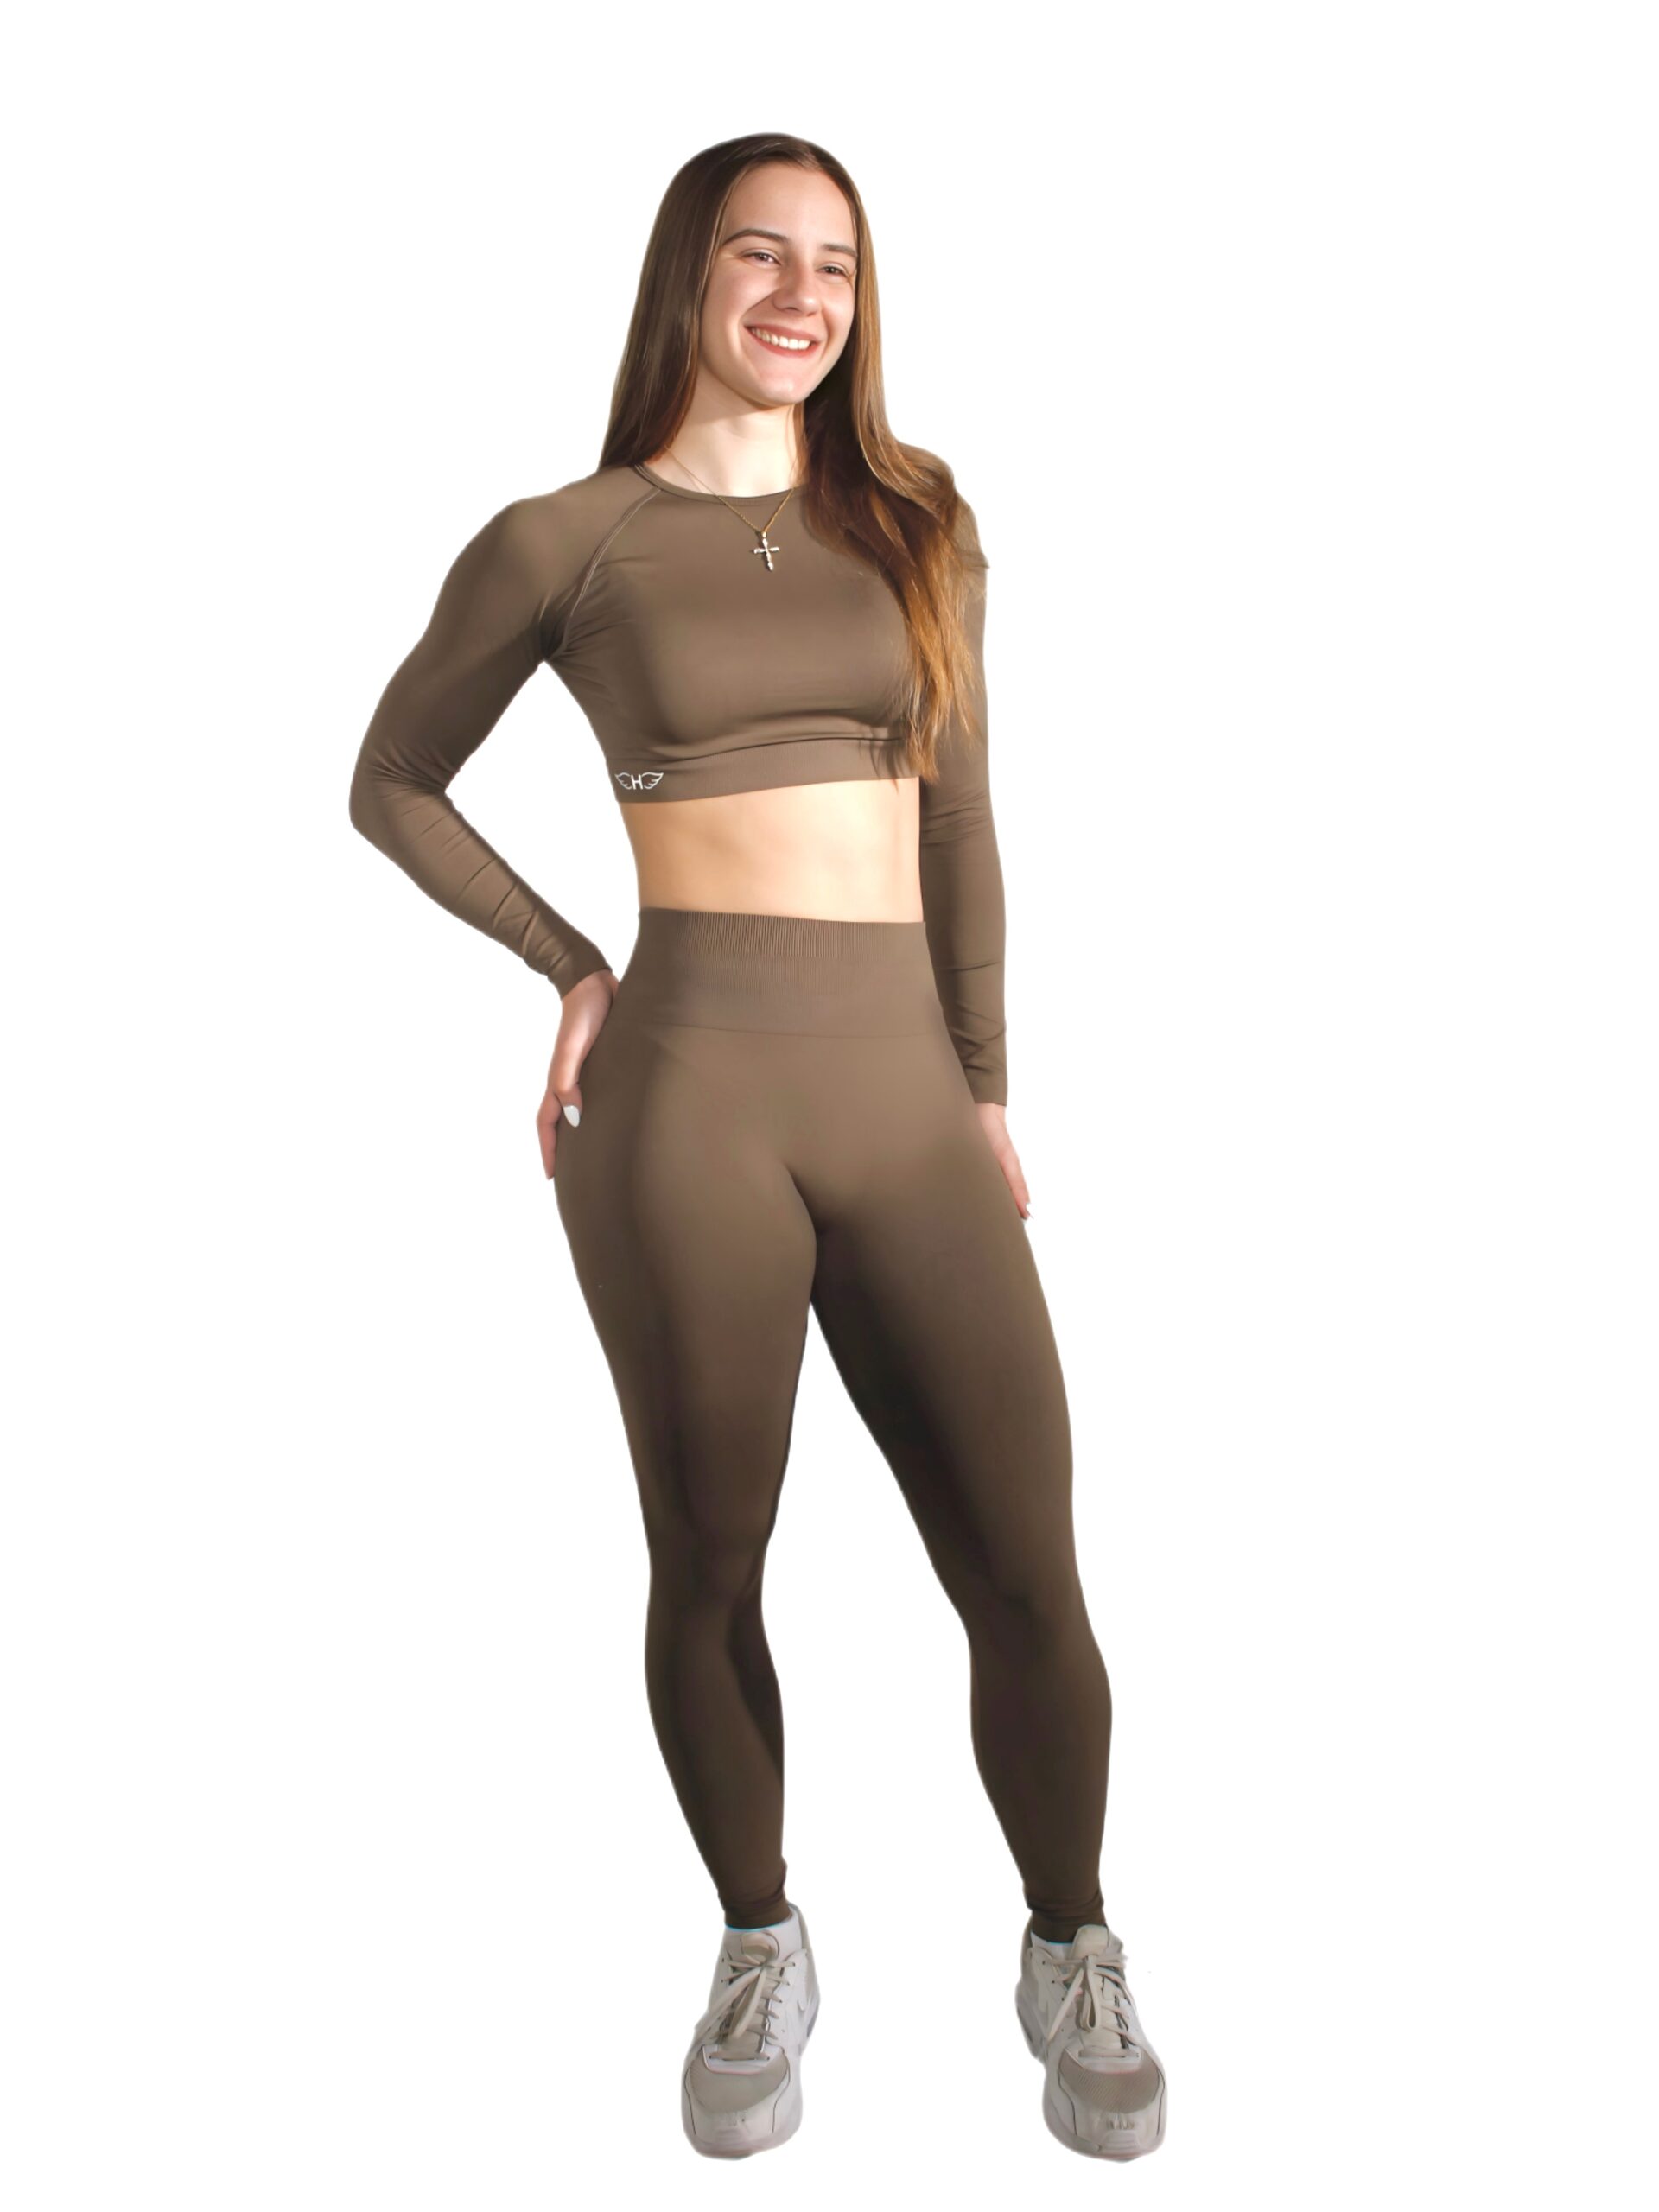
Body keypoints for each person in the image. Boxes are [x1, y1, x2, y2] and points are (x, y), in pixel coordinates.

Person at [347, 131, 1166, 2164]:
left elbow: (962, 818)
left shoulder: (917, 518)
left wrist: (985, 1082)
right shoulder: (568, 539)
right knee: (711, 1554)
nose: (804, 297)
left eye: (837, 265)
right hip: (685, 1098)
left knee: (1027, 1563)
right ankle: (756, 1933)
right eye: (761, 256)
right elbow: (393, 778)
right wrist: (569, 962)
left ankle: (1071, 1937)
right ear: (686, 280)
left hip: (902, 1091)